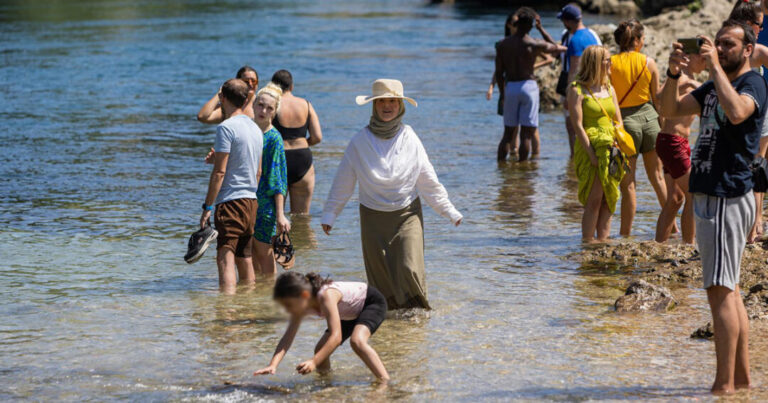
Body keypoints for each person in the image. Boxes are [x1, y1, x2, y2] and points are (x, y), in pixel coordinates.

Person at [659, 21, 767, 394]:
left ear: (748, 49)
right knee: (730, 290)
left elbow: (738, 113)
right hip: (710, 194)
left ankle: (723, 386)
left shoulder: (752, 84)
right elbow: (670, 108)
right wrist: (674, 72)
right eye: (716, 43)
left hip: (725, 194)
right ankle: (741, 381)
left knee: (719, 290)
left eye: (728, 44)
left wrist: (716, 68)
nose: (720, 49)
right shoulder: (711, 85)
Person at [321, 79, 463, 310]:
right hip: (372, 217)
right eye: (382, 101)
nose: (387, 106)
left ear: (400, 105)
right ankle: (391, 323)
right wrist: (330, 214)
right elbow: (344, 181)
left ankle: (419, 316)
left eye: (393, 101)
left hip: (407, 214)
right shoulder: (360, 141)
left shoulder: (410, 137)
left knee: (410, 268)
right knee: (381, 279)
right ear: (374, 106)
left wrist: (449, 210)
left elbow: (427, 179)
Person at [253, 272, 389, 380]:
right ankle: (326, 384)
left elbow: (336, 338)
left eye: (289, 304)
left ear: (304, 295)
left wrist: (313, 362)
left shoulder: (326, 296)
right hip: (348, 313)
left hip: (370, 302)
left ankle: (385, 381)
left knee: (357, 341)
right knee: (320, 349)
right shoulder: (300, 306)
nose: (288, 310)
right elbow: (288, 337)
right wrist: (273, 364)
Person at [199, 79, 263, 292]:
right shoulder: (255, 128)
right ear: (246, 99)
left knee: (225, 258)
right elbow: (258, 171)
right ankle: (249, 311)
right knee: (245, 258)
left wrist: (208, 207)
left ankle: (226, 317)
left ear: (222, 98)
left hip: (230, 202)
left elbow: (219, 173)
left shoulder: (225, 128)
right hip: (251, 201)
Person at [609, 19, 671, 238]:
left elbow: (608, 98)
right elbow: (657, 101)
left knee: (628, 184)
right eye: (642, 39)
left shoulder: (610, 63)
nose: (643, 43)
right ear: (636, 41)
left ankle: (625, 235)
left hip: (625, 124)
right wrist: (663, 126)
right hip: (650, 120)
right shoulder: (649, 62)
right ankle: (671, 229)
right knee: (658, 178)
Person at [567, 45, 626, 243]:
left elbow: (618, 120)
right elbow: (577, 126)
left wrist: (619, 146)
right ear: (595, 63)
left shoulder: (609, 87)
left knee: (609, 197)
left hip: (611, 147)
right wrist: (591, 154)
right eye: (607, 60)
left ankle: (604, 241)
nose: (611, 63)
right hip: (590, 147)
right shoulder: (577, 89)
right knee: (594, 198)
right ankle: (588, 242)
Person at [495, 8, 566, 162]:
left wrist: (502, 94)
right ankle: (523, 171)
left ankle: (501, 170)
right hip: (528, 86)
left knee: (507, 134)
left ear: (517, 23)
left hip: (511, 87)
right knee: (526, 134)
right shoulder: (534, 44)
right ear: (531, 26)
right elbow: (556, 47)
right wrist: (541, 29)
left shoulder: (502, 45)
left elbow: (499, 73)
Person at [654, 56, 705, 244]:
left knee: (675, 199)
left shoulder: (692, 80)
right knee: (694, 192)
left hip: (677, 142)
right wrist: (687, 83)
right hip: (672, 141)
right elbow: (659, 97)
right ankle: (688, 245)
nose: (706, 62)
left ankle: (659, 244)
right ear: (692, 58)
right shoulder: (683, 78)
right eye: (703, 58)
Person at [729, 0, 768, 242]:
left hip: (741, 109)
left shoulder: (728, 44)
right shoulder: (757, 49)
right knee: (757, 165)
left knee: (754, 165)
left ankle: (755, 222)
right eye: (758, 26)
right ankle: (753, 225)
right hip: (757, 109)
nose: (760, 29)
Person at [270, 70, 323, 214]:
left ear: (273, 87)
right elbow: (317, 137)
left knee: (275, 217)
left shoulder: (272, 105)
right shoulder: (306, 104)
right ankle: (302, 237)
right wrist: (303, 143)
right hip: (302, 159)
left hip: (279, 159)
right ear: (291, 86)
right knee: (302, 218)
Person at [558, 4, 602, 157]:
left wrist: (569, 94)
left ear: (569, 21)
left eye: (563, 20)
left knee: (573, 125)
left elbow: (574, 69)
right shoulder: (593, 34)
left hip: (580, 89)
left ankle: (575, 156)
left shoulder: (575, 40)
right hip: (597, 86)